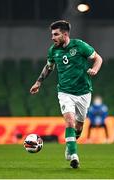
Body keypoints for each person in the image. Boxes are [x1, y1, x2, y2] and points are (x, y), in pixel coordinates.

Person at [30, 20, 102, 168]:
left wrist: (95, 69)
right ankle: (74, 156)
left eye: (56, 34)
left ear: (65, 34)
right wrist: (38, 82)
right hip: (64, 91)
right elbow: (49, 67)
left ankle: (70, 145)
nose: (53, 37)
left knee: (79, 127)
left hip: (83, 92)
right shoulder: (53, 50)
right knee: (70, 121)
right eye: (52, 34)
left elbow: (98, 58)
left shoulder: (80, 45)